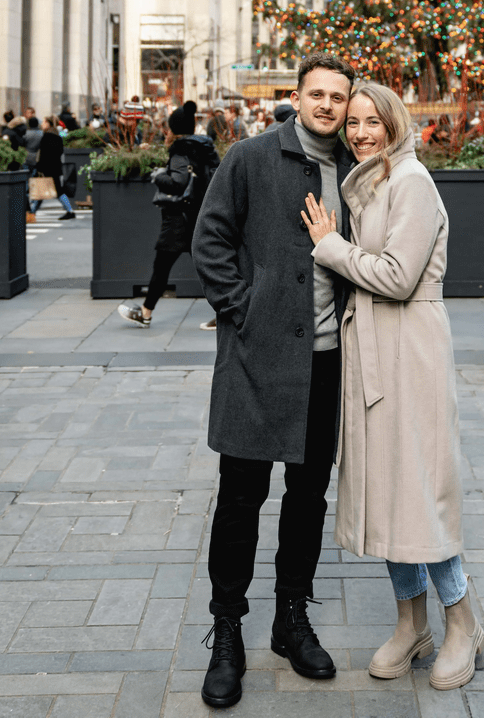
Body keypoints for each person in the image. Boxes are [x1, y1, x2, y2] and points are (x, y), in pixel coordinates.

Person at [303, 82, 484, 692]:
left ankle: (462, 622)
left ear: (394, 124)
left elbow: (399, 276)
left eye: (370, 122)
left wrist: (330, 247)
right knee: (386, 489)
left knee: (419, 489)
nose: (358, 133)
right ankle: (412, 622)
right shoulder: (376, 181)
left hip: (411, 348)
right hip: (374, 351)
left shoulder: (411, 182)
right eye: (351, 123)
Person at [192, 52, 356, 710]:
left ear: (348, 103)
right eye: (316, 94)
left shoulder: (355, 167)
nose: (326, 105)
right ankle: (227, 629)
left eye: (337, 97)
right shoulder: (252, 156)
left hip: (327, 359)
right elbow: (210, 238)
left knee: (309, 493)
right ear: (297, 96)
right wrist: (243, 310)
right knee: (240, 495)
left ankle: (292, 615)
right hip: (259, 360)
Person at [118, 102, 219, 328]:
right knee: (210, 268)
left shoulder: (181, 151)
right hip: (198, 216)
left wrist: (158, 176)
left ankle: (145, 313)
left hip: (178, 219)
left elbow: (178, 182)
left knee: (162, 268)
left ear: (174, 129)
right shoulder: (204, 148)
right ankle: (227, 313)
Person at [31, 117, 75, 219]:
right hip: (55, 167)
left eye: (44, 122)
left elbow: (43, 155)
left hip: (47, 168)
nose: (42, 124)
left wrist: (39, 167)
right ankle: (32, 212)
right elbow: (60, 152)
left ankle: (70, 211)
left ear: (48, 124)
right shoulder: (58, 137)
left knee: (47, 190)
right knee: (44, 190)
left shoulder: (46, 136)